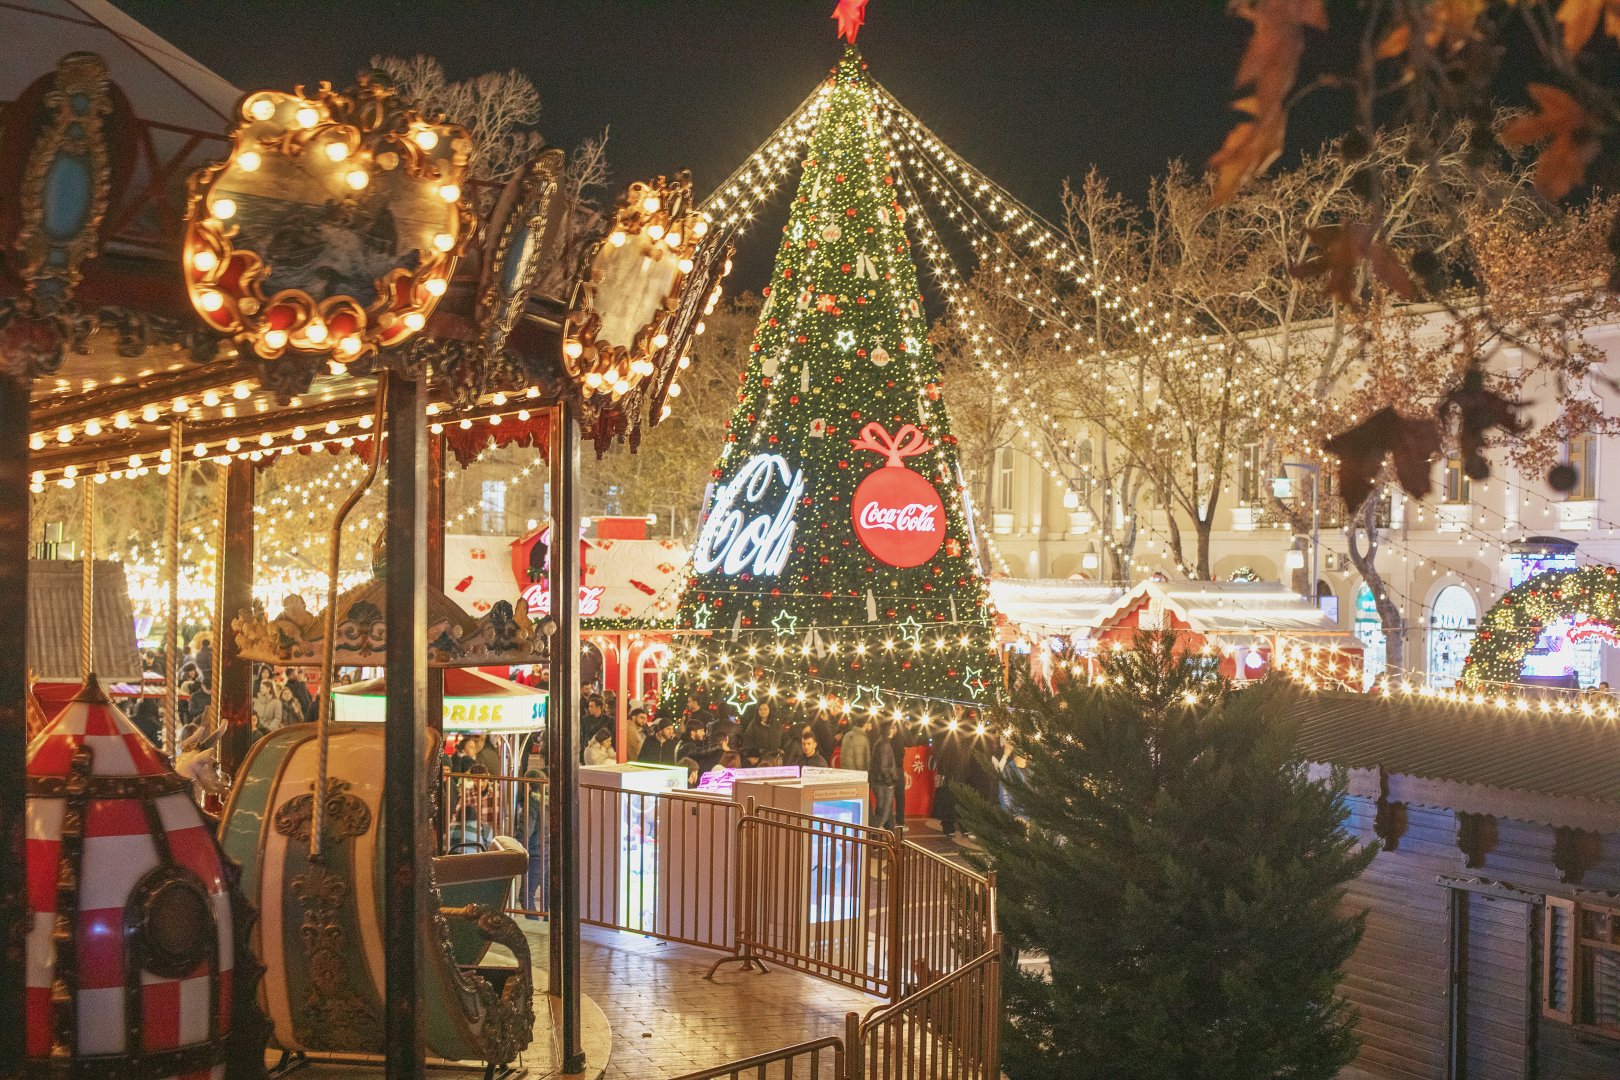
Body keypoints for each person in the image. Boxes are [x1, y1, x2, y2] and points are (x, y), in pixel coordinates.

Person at [869, 720, 899, 830]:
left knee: (886, 811)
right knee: (883, 814)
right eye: (894, 727)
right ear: (889, 730)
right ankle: (873, 833)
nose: (895, 730)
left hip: (880, 781)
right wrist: (889, 782)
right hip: (883, 783)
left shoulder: (882, 742)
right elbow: (884, 766)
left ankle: (889, 833)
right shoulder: (884, 745)